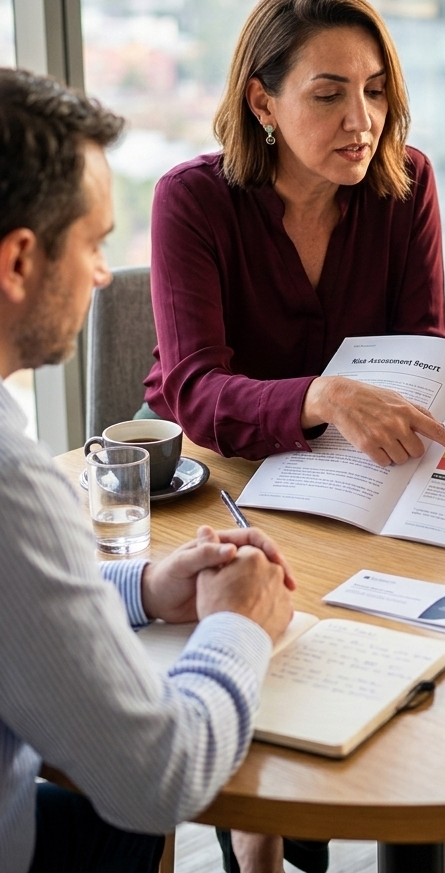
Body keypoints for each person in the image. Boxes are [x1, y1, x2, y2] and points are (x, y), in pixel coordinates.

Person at [0, 68, 295, 873]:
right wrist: (242, 623)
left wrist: (143, 588)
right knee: (126, 816)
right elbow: (160, 778)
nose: (103, 275)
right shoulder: (9, 483)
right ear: (20, 259)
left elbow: (16, 604)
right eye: (94, 244)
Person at [145, 0, 445, 474]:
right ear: (261, 103)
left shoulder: (409, 182)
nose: (362, 120)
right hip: (201, 457)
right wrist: (324, 396)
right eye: (328, 96)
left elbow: (418, 345)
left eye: (375, 90)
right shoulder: (190, 199)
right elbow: (197, 391)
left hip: (346, 455)